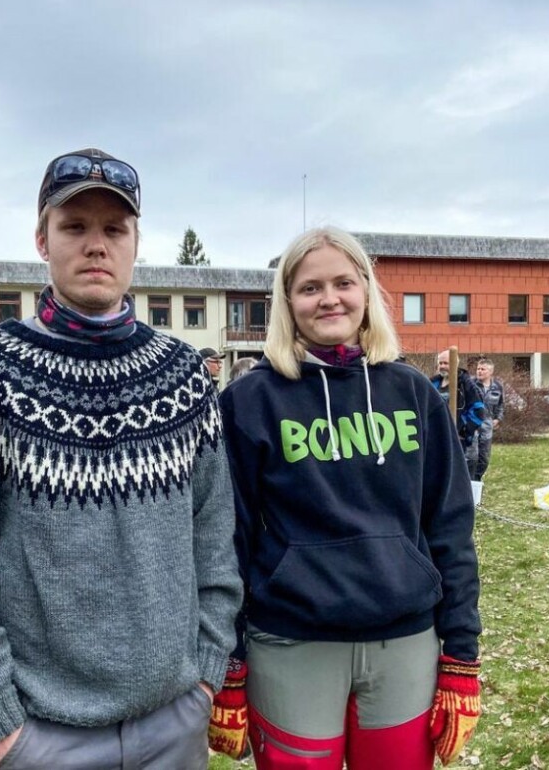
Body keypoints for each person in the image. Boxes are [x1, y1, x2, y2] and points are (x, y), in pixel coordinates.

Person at [0, 147, 242, 770]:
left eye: (114, 229)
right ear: (42, 239)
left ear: (136, 242)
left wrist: (206, 674)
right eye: (75, 227)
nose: (96, 245)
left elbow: (214, 535)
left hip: (173, 722)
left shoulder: (185, 378)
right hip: (38, 736)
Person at [216, 227, 482, 770]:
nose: (329, 297)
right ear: (287, 301)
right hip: (291, 644)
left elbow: (450, 526)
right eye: (310, 287)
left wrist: (461, 655)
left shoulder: (413, 394)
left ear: (366, 291)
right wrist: (230, 662)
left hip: (405, 642)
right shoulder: (249, 401)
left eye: (343, 282)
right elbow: (228, 539)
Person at [430, 350, 486, 478]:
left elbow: (478, 411)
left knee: (458, 474)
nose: (442, 366)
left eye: (446, 363)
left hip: (458, 438)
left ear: (455, 364)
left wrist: (463, 431)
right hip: (436, 435)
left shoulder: (466, 384)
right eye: (440, 363)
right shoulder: (432, 383)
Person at [473, 358, 504, 481]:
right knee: (471, 457)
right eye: (478, 369)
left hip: (487, 426)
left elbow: (501, 405)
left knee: (484, 458)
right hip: (471, 424)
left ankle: (477, 480)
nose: (479, 371)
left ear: (490, 371)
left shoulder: (497, 387)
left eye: (483, 369)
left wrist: (498, 419)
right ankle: (469, 482)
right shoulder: (470, 384)